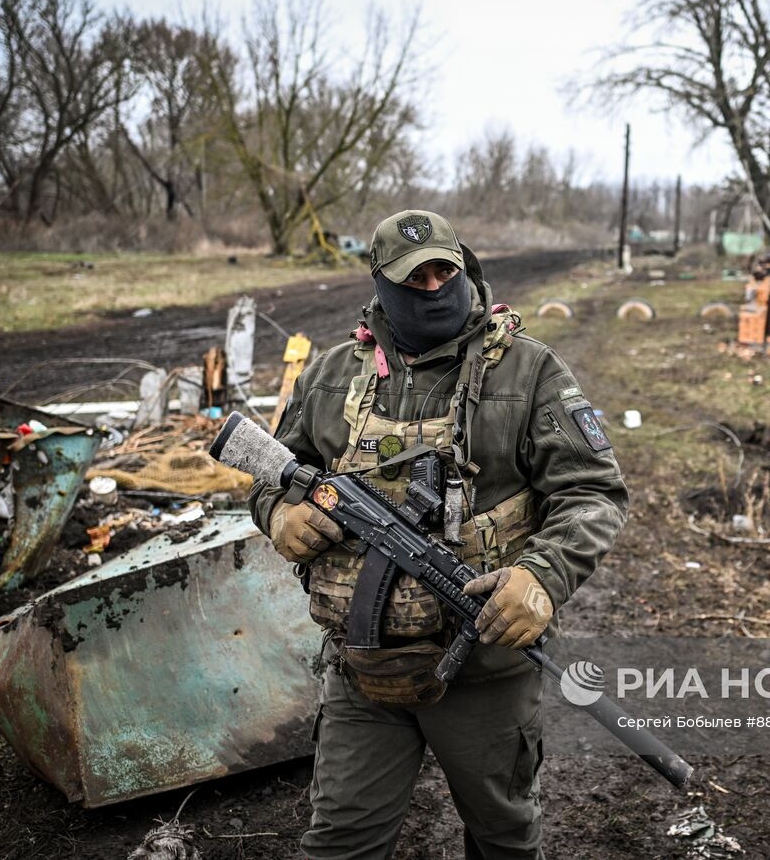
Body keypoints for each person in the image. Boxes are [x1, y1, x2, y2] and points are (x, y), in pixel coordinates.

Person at [249, 209, 628, 860]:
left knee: (503, 839)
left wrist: (541, 575)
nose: (431, 287)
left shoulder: (529, 372)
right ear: (381, 284)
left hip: (484, 669)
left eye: (442, 271)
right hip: (361, 667)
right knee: (338, 841)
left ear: (464, 268)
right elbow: (274, 470)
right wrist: (279, 515)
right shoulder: (334, 374)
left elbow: (593, 492)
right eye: (412, 277)